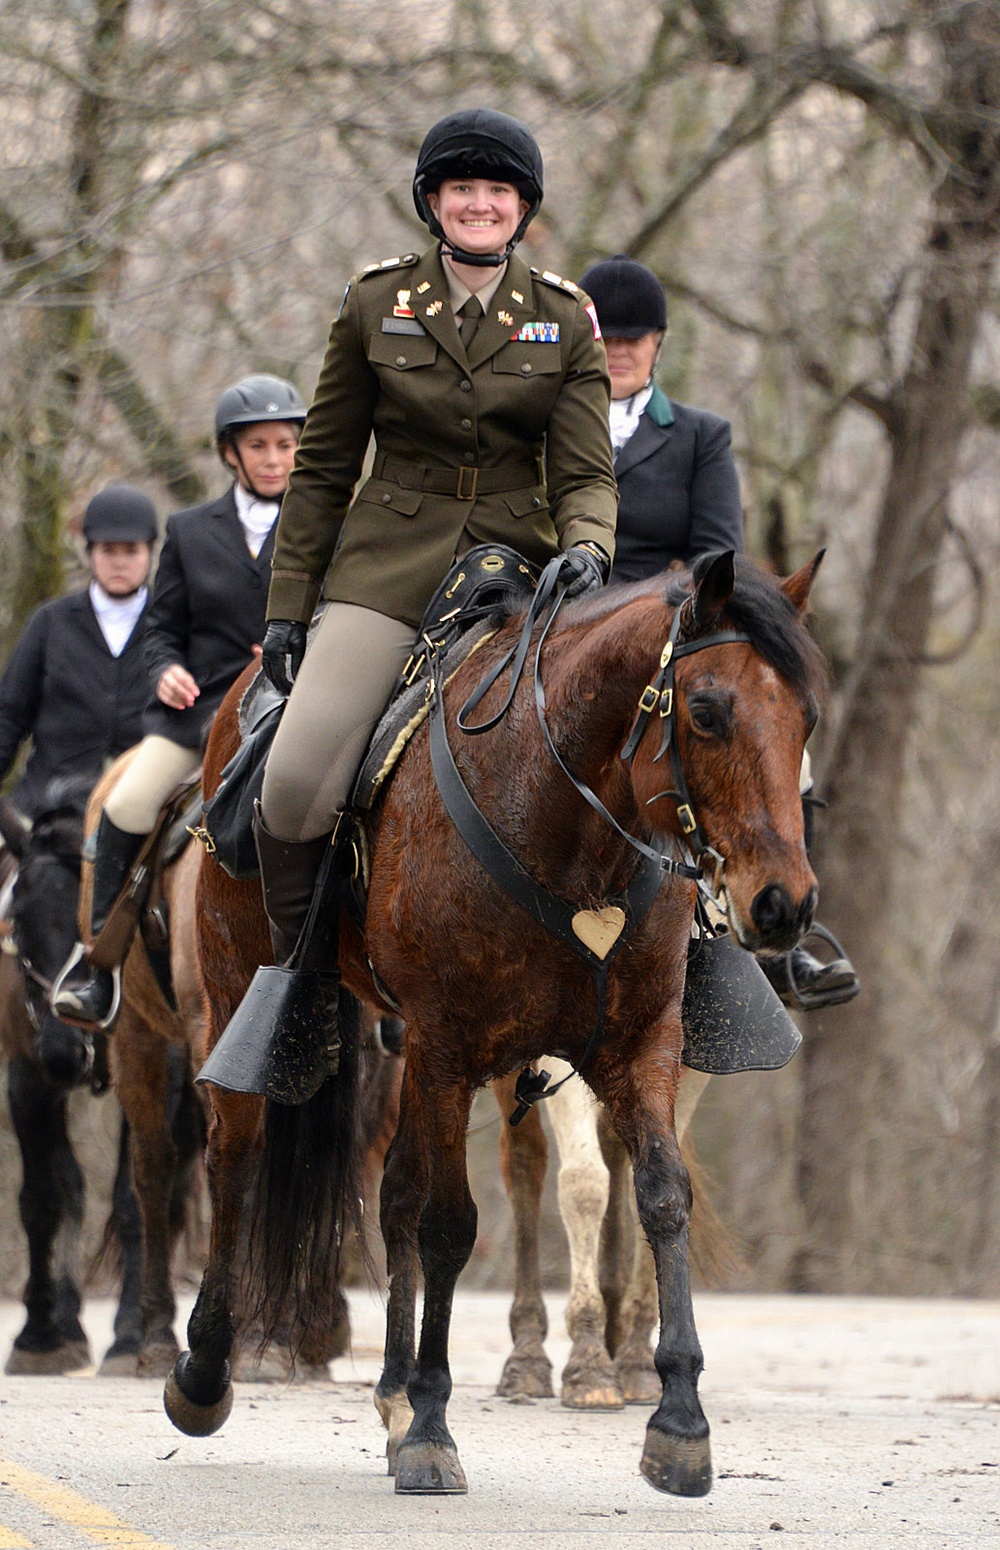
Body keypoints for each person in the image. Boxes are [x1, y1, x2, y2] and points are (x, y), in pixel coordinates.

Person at [201, 107, 619, 1103]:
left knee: (641, 743)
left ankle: (645, 976)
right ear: (433, 201)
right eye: (462, 188)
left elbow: (588, 474)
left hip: (523, 571)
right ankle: (300, 989)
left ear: (522, 207)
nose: (481, 203)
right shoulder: (375, 304)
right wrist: (290, 609)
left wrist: (590, 548)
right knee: (294, 782)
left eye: (499, 190)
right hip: (389, 566)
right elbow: (323, 469)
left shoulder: (564, 317)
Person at [579, 253, 858, 1011]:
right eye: (609, 336)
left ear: (659, 343)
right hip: (568, 639)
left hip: (672, 634)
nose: (622, 350)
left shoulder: (700, 435)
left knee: (774, 751)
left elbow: (716, 554)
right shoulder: (548, 429)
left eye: (637, 337)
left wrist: (662, 612)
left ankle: (779, 940)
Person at [52, 374, 307, 1030]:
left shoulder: (324, 524)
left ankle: (380, 986)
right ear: (231, 454)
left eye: (286, 443)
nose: (275, 458)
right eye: (260, 446)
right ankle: (96, 966)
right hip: (197, 715)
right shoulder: (190, 531)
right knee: (129, 802)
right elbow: (160, 627)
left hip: (297, 713)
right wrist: (162, 667)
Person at [0, 485, 157, 821]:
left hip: (142, 804)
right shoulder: (50, 622)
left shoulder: (171, 624)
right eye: (107, 550)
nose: (118, 562)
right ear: (90, 553)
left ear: (149, 553)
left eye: (130, 551)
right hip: (46, 804)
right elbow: (9, 715)